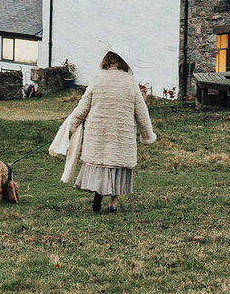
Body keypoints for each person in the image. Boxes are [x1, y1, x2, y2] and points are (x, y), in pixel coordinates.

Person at [53, 50, 156, 213]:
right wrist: (147, 135)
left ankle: (98, 194)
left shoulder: (97, 80)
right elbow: (142, 113)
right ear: (124, 62)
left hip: (98, 133)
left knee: (101, 164)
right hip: (121, 134)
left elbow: (83, 107)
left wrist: (71, 125)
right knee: (117, 164)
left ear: (106, 61)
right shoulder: (131, 82)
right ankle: (112, 203)